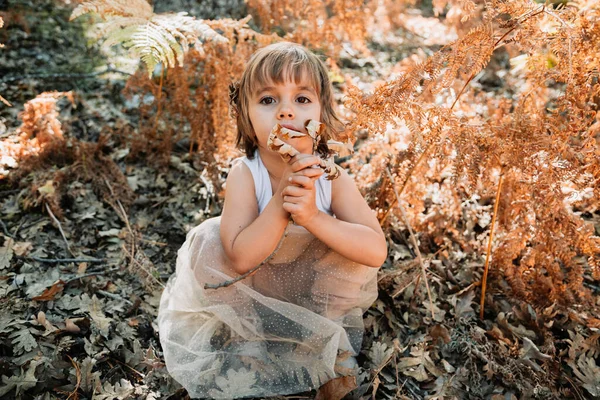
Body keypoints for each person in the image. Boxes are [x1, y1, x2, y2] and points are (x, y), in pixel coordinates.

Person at [157, 42, 387, 399]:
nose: (285, 112)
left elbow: (375, 251)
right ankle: (249, 339)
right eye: (268, 101)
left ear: (322, 113)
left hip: (312, 289)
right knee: (209, 241)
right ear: (247, 119)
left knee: (349, 249)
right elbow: (240, 258)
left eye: (302, 99)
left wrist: (312, 217)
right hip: (256, 285)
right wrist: (281, 201)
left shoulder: (331, 177)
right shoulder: (246, 174)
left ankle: (326, 343)